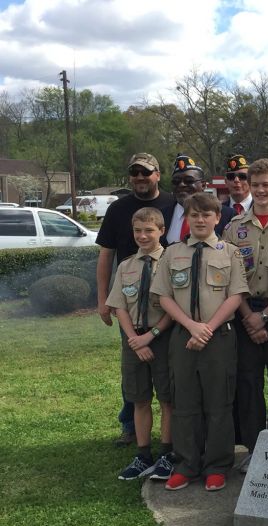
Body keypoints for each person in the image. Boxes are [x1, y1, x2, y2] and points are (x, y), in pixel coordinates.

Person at [151, 192, 248, 492]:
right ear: (187, 219)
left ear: (218, 218)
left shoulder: (230, 253)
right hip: (183, 335)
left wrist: (207, 328)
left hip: (219, 336)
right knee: (184, 402)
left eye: (207, 214)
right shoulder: (172, 253)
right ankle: (187, 464)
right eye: (194, 215)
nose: (201, 220)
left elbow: (236, 295)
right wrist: (192, 326)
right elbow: (163, 296)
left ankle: (217, 465)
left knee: (219, 401)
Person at [96, 153, 175, 447]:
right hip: (129, 303)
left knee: (168, 385)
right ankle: (131, 428)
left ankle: (169, 443)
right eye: (135, 172)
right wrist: (103, 299)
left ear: (157, 174)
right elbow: (106, 255)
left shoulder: (173, 204)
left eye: (146, 172)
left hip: (164, 309)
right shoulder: (118, 209)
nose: (140, 177)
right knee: (133, 372)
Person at [223, 158, 268, 473]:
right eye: (256, 185)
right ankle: (255, 448)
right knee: (248, 383)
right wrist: (249, 317)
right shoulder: (233, 228)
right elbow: (229, 277)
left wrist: (265, 315)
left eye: (267, 184)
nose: (261, 190)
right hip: (244, 312)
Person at [106, 208, 175, 481]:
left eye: (149, 230)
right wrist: (135, 340)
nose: (143, 236)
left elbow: (174, 307)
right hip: (134, 340)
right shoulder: (126, 266)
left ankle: (167, 454)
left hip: (163, 339)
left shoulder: (171, 262)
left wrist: (151, 335)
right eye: (138, 231)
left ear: (162, 231)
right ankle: (143, 454)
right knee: (140, 398)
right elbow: (120, 306)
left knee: (168, 399)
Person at [163, 154, 234, 245]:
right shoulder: (162, 215)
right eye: (176, 182)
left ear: (203, 185)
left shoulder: (227, 215)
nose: (181, 185)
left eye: (189, 181)